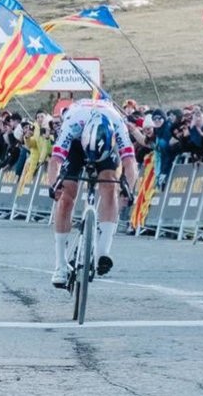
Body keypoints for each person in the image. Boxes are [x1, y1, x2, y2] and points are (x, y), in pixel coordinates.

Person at [47, 99, 138, 288]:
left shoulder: (118, 124)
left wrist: (129, 188)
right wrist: (54, 184)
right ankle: (60, 265)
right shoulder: (72, 123)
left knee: (110, 184)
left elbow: (130, 162)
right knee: (66, 194)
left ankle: (103, 252)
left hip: (105, 147)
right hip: (77, 145)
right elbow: (55, 161)